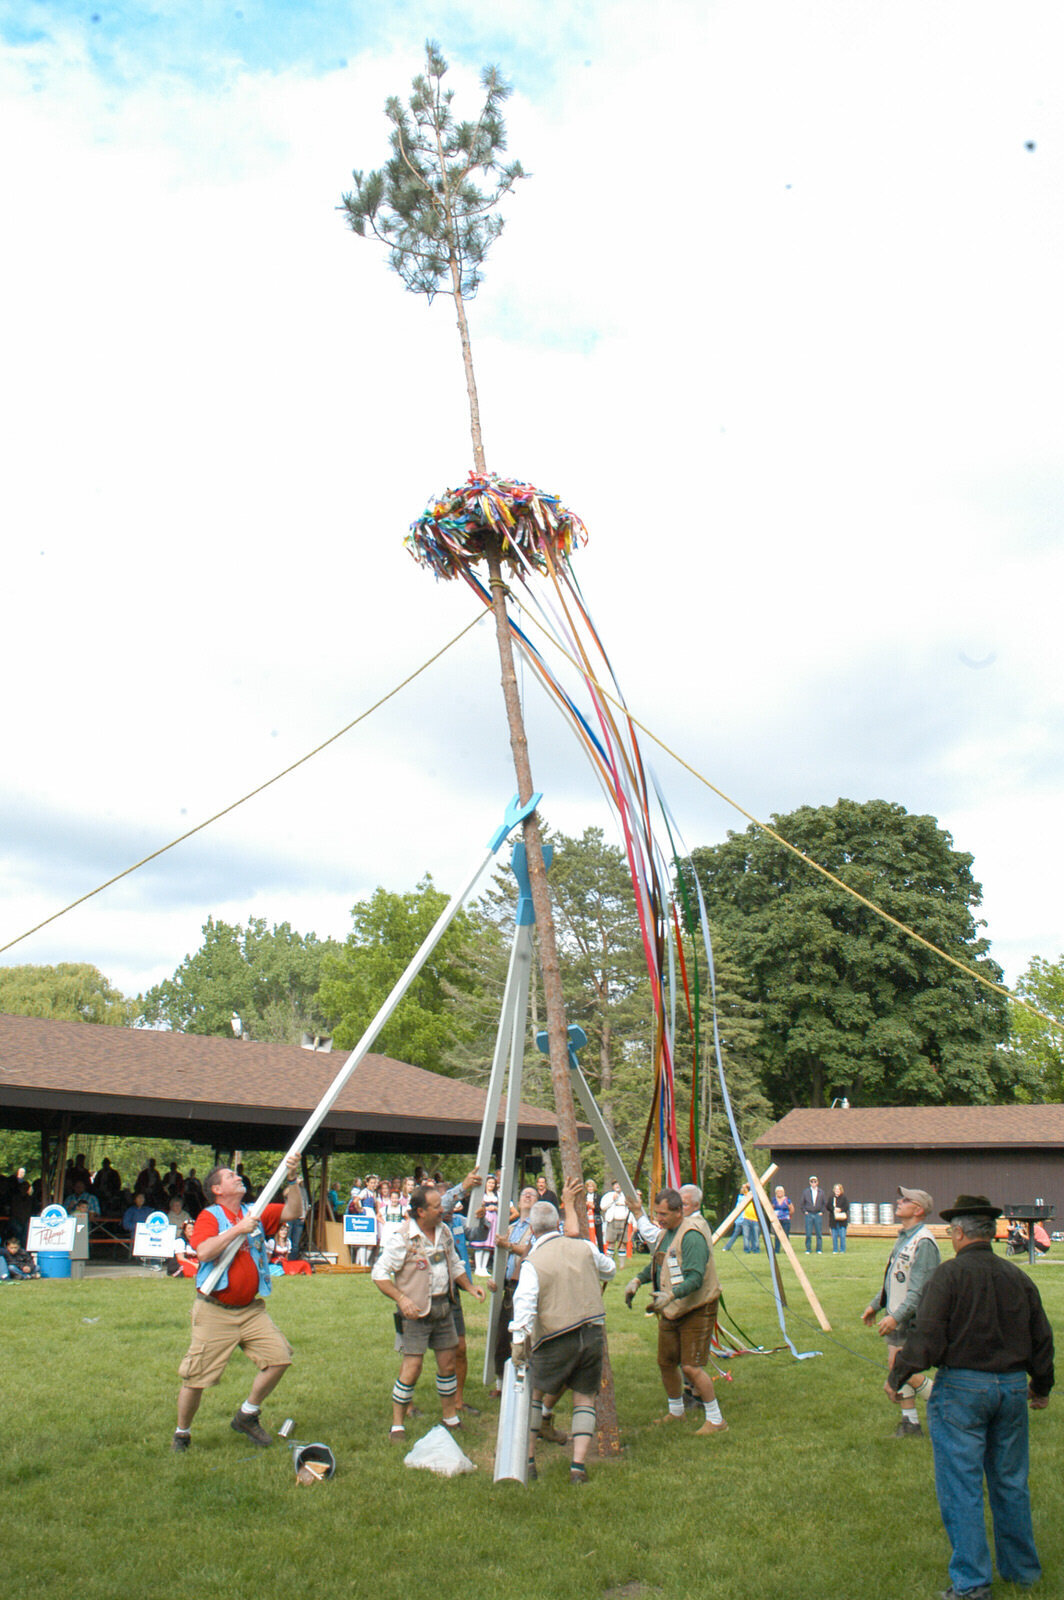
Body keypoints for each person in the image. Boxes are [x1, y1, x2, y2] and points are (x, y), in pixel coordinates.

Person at [887, 1194, 1054, 1600]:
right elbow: (1042, 1338)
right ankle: (1022, 1572)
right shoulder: (1018, 1278)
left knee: (961, 1486)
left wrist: (899, 1375)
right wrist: (1041, 1386)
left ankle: (971, 1582)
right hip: (1012, 1389)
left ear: (959, 1233)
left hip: (962, 1390)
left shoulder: (949, 1276)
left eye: (952, 1232)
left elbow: (927, 1335)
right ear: (989, 1234)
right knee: (1011, 1483)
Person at [172, 1154, 305, 1453]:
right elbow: (204, 1252)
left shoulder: (255, 1211)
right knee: (195, 1378)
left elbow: (294, 1212)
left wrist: (293, 1179)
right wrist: (237, 1229)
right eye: (230, 1176)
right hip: (215, 1311)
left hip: (251, 1310)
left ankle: (247, 1415)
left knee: (280, 1358)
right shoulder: (210, 1216)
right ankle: (182, 1434)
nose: (238, 1177)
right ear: (217, 1189)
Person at [510, 1183, 616, 1482]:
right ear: (557, 1222)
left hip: (553, 1337)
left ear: (532, 1228)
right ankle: (577, 1467)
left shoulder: (533, 1262)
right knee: (584, 1397)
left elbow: (525, 1303)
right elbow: (609, 1270)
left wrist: (519, 1341)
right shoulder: (583, 1246)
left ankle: (529, 1461)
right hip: (592, 1332)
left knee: (535, 1395)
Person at [371, 1183, 485, 1445]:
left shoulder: (443, 1230)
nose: (442, 1210)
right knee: (412, 1367)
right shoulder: (402, 1237)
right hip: (416, 1314)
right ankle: (397, 1425)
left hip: (444, 1308)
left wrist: (469, 1287)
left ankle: (450, 1419)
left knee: (447, 1364)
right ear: (420, 1211)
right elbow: (379, 1273)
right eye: (436, 1207)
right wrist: (402, 1299)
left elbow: (454, 1262)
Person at [625, 1186, 727, 1437]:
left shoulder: (691, 1236)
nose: (658, 1219)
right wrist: (637, 1281)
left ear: (679, 1212)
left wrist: (671, 1294)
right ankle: (677, 1412)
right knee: (666, 1362)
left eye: (663, 1214)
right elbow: (658, 1261)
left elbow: (695, 1278)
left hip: (696, 1307)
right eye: (656, 1213)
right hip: (672, 1309)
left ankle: (716, 1420)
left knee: (691, 1367)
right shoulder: (667, 1233)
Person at [862, 1186, 940, 1436]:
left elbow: (919, 1292)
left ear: (918, 1210)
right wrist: (876, 1305)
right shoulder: (904, 1237)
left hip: (911, 1318)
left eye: (906, 1200)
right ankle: (910, 1422)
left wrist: (896, 1317)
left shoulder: (924, 1242)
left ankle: (951, 1406)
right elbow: (893, 1280)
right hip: (897, 1315)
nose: (899, 1201)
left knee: (902, 1369)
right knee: (897, 1367)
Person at [799, 1175, 831, 1253]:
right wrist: (805, 1211)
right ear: (809, 1183)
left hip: (817, 1214)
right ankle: (808, 1249)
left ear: (817, 1182)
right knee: (808, 1233)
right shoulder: (805, 1192)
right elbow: (802, 1203)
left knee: (819, 1233)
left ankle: (819, 1249)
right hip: (809, 1214)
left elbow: (824, 1203)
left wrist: (822, 1212)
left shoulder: (821, 1192)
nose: (813, 1183)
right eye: (812, 1182)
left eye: (815, 1182)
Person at [771, 1185, 794, 1253]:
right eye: (778, 1191)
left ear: (783, 1192)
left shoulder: (787, 1200)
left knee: (785, 1235)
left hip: (785, 1219)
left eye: (781, 1191)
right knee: (777, 1235)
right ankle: (777, 1250)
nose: (779, 1193)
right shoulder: (774, 1200)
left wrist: (788, 1215)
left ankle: (787, 1250)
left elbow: (792, 1209)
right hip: (777, 1220)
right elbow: (771, 1209)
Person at [829, 1182, 849, 1253]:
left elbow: (846, 1207)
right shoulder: (831, 1198)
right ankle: (835, 1249)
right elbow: (828, 1206)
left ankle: (842, 1249)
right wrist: (833, 1209)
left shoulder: (844, 1198)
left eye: (838, 1189)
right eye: (836, 1189)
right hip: (833, 1221)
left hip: (842, 1221)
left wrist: (840, 1209)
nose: (837, 1191)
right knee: (834, 1236)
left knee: (842, 1236)